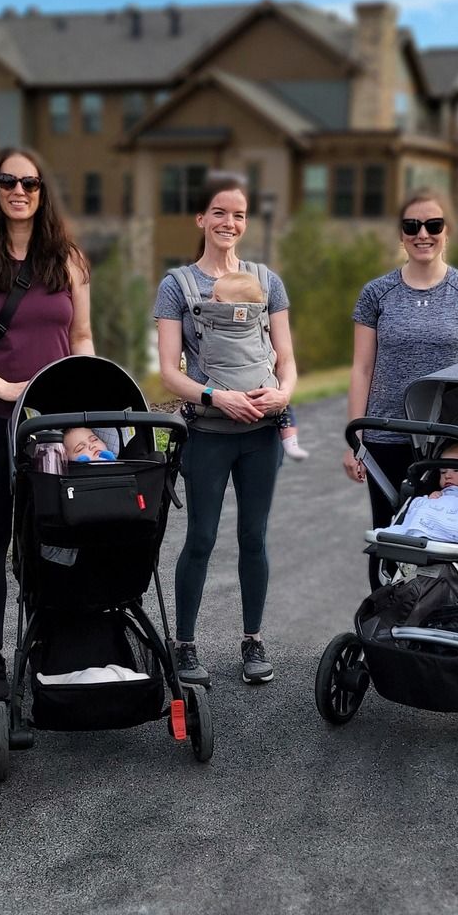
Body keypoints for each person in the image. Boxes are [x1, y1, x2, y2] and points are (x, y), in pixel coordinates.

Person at [0, 147, 93, 700]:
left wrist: (81, 406)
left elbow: (80, 341)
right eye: (8, 181)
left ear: (43, 190)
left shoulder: (68, 260)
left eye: (30, 182)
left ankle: (56, 638)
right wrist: (3, 388)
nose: (19, 190)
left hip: (51, 419)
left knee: (56, 531)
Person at [154, 172, 297, 686]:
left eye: (238, 214)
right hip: (209, 434)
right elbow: (169, 371)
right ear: (201, 218)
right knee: (201, 538)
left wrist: (283, 392)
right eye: (219, 212)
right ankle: (185, 644)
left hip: (261, 433)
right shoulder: (177, 285)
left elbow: (286, 359)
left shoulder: (266, 280)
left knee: (254, 537)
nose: (228, 223)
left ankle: (252, 639)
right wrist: (217, 396)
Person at [343, 191, 458, 586]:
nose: (422, 234)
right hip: (386, 433)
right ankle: (384, 628)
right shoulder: (377, 293)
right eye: (412, 226)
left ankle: (433, 625)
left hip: (449, 439)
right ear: (401, 234)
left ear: (447, 232)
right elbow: (362, 368)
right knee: (390, 533)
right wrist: (354, 438)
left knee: (443, 536)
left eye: (433, 225)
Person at [373, 439, 458, 580]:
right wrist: (433, 497)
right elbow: (429, 505)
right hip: (438, 523)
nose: (448, 475)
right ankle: (420, 531)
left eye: (456, 470)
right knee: (422, 506)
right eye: (442, 472)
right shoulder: (442, 491)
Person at [211, 269, 308, 459]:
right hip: (251, 392)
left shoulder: (216, 328)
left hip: (237, 391)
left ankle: (291, 443)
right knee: (284, 412)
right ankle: (291, 442)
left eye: (217, 299)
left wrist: (284, 393)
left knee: (283, 406)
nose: (210, 302)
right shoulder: (250, 328)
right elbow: (270, 353)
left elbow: (281, 356)